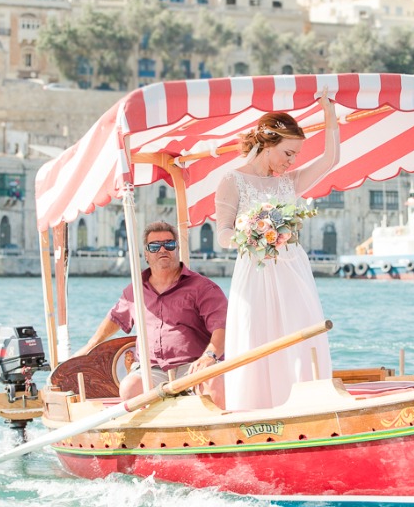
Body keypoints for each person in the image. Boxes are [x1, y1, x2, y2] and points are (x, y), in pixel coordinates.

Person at [215, 99, 340, 411]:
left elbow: (331, 158)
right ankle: (255, 409)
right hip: (255, 271)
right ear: (267, 143)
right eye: (288, 153)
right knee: (257, 337)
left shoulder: (290, 182)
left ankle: (304, 407)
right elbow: (223, 235)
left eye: (296, 155)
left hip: (293, 270)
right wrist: (254, 235)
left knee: (300, 337)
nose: (291, 161)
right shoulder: (232, 180)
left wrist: (329, 116)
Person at [73, 221, 227, 405]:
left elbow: (222, 326)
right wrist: (91, 345)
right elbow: (115, 319)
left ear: (177, 249)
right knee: (129, 388)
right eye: (155, 246)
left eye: (169, 244)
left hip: (193, 365)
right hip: (151, 369)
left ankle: (214, 432)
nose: (163, 250)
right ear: (146, 254)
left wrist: (209, 356)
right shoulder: (135, 290)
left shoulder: (203, 287)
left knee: (213, 385)